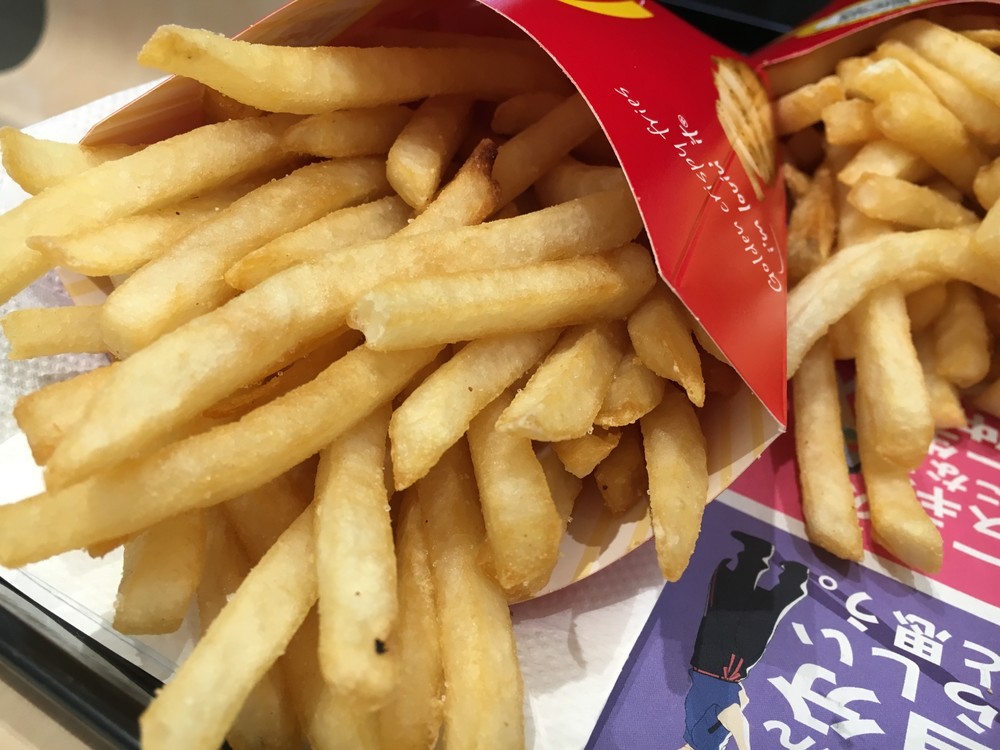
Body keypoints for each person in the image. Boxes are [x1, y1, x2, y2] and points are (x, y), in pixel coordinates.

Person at [680, 531, 809, 750]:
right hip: (718, 665)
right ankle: (772, 565)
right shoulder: (703, 742)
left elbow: (741, 702)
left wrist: (729, 693)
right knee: (736, 610)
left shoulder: (696, 739)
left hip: (717, 668)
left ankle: (763, 560)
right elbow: (734, 715)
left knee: (737, 608)